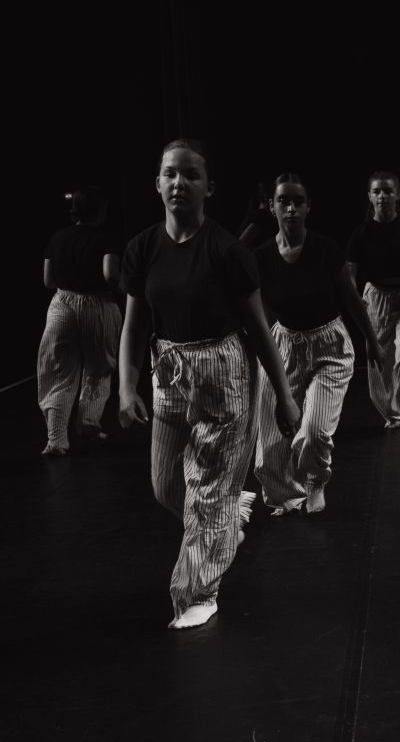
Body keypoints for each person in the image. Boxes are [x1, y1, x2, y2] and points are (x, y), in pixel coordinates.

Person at [118, 139, 301, 629]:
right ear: (157, 183)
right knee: (167, 487)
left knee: (208, 492)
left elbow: (259, 328)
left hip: (224, 374)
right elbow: (134, 325)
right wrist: (127, 388)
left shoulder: (227, 251)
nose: (179, 183)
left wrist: (283, 396)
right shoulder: (142, 248)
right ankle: (226, 519)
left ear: (209, 187)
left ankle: (199, 592)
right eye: (170, 173)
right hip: (169, 371)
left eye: (191, 175)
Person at [253, 173, 384, 515]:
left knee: (313, 431)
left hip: (329, 346)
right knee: (271, 444)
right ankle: (286, 496)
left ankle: (314, 479)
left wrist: (372, 341)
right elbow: (260, 318)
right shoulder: (262, 257)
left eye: (298, 202)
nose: (291, 208)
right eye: (283, 201)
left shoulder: (325, 249)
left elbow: (352, 299)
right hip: (283, 346)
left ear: (308, 207)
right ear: (271, 207)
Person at [37, 187, 122, 454]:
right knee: (99, 369)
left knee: (58, 371)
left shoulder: (58, 237)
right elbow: (110, 274)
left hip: (62, 304)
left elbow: (48, 280)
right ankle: (88, 424)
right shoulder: (107, 237)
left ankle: (56, 440)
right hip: (98, 304)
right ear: (101, 210)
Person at [347, 171, 400, 429]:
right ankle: (392, 414)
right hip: (378, 300)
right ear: (369, 197)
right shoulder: (361, 234)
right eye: (377, 191)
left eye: (388, 191)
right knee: (380, 362)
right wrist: (355, 298)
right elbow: (350, 272)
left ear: (398, 195)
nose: (382, 196)